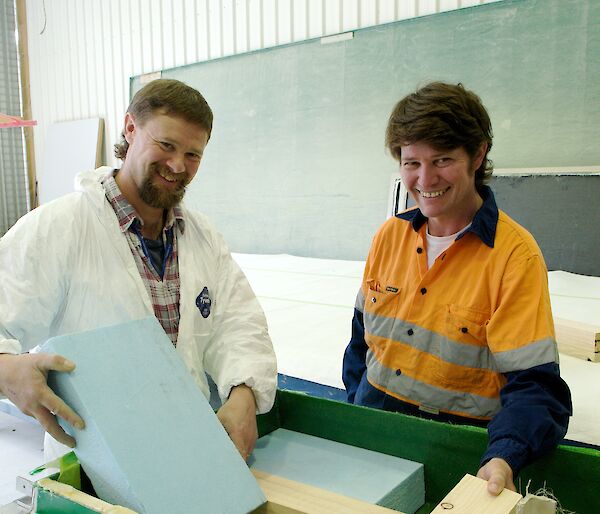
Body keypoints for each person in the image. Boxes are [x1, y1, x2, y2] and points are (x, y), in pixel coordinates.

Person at [0, 78, 277, 461]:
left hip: (187, 450)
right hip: (92, 463)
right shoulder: (59, 229)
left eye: (193, 154)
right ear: (130, 128)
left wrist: (244, 392)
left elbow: (237, 322)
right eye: (166, 145)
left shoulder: (202, 238)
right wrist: (6, 370)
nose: (178, 165)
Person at [342, 82, 572, 495]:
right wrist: (357, 413)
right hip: (374, 433)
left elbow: (536, 388)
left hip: (459, 451)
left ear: (478, 155)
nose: (425, 178)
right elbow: (361, 343)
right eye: (411, 162)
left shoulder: (514, 258)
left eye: (442, 160)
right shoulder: (388, 237)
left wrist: (504, 455)